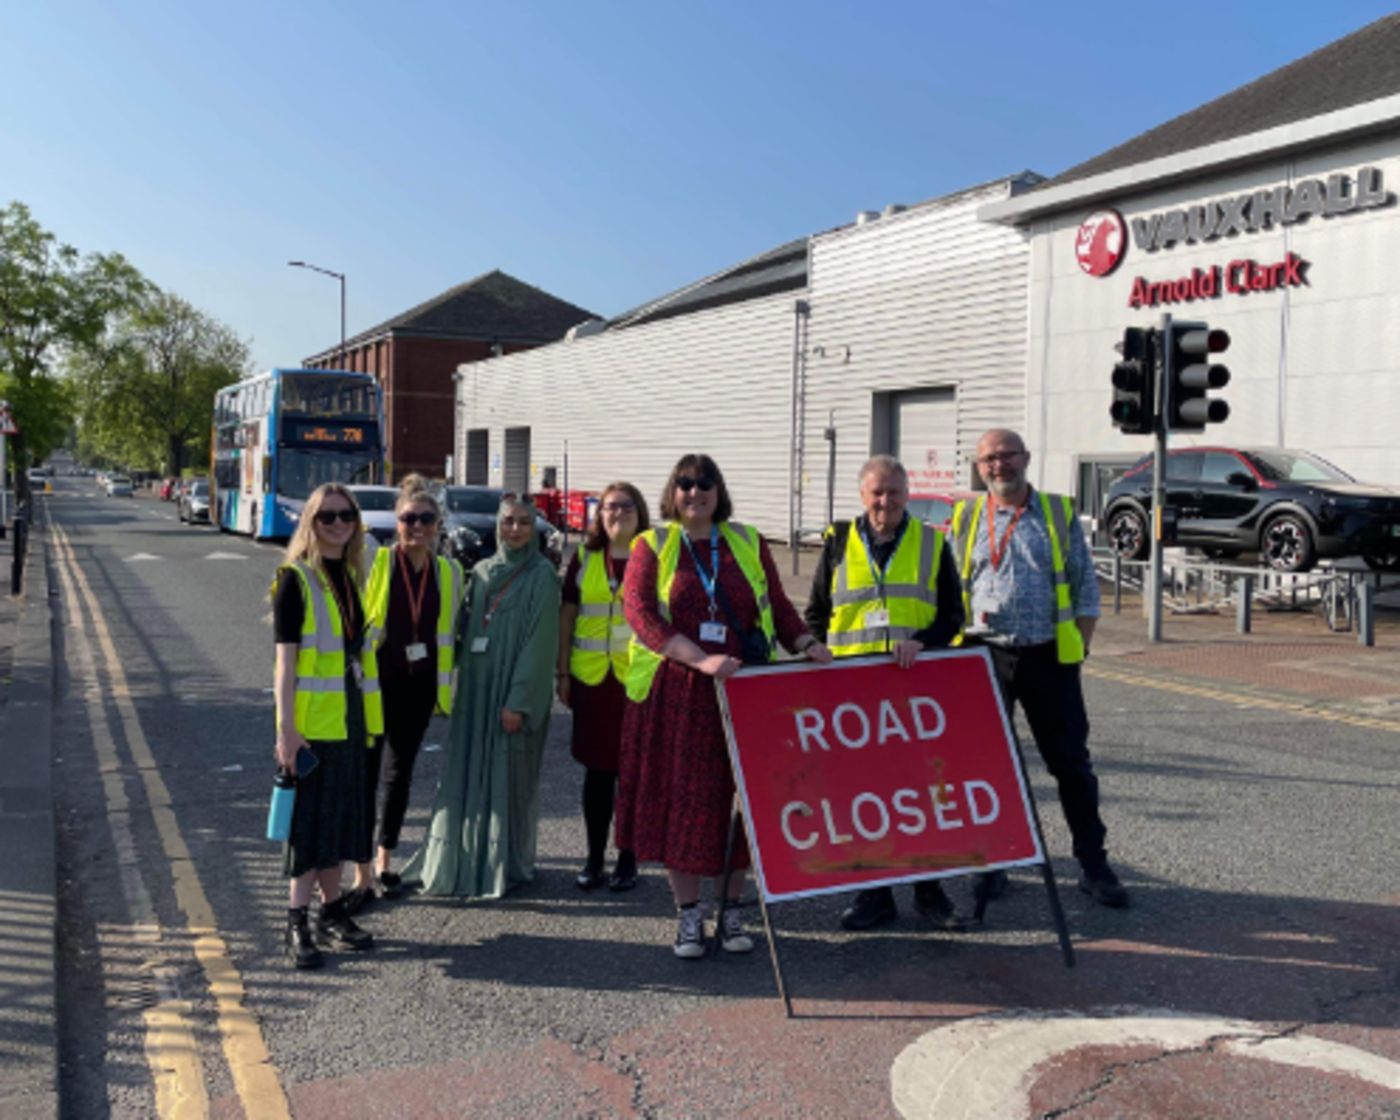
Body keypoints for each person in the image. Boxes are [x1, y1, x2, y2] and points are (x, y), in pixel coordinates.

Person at [616, 454, 833, 959]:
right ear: (673, 492)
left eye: (705, 483)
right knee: (685, 803)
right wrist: (699, 659)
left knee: (745, 804)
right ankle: (689, 916)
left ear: (719, 490)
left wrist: (805, 643)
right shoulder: (653, 544)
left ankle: (732, 910)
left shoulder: (747, 541)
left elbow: (776, 605)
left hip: (746, 690)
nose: (696, 492)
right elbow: (640, 614)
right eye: (686, 484)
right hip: (680, 695)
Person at [950, 429, 1129, 908]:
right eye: (988, 458)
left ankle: (1094, 864)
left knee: (1070, 764)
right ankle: (992, 864)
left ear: (1025, 458)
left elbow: (1085, 587)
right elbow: (949, 587)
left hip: (1048, 657)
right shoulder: (966, 516)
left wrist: (1079, 652)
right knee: (985, 768)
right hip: (983, 658)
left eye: (1006, 455)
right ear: (978, 465)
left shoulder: (1056, 512)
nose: (997, 465)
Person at [803, 454, 969, 932]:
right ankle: (874, 893)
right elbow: (815, 613)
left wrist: (926, 643)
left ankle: (929, 892)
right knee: (865, 797)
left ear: (907, 494)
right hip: (853, 694)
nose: (885, 501)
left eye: (894, 491)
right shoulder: (837, 542)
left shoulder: (932, 545)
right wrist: (817, 659)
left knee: (921, 794)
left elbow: (952, 617)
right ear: (862, 495)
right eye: (877, 492)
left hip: (912, 694)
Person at [403, 494, 560, 899]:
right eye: (508, 521)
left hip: (509, 691)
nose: (515, 529)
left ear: (535, 527)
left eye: (524, 522)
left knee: (506, 774)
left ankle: (498, 864)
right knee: (469, 768)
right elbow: (455, 629)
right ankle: (462, 856)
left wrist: (519, 701)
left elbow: (539, 647)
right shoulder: (484, 571)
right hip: (475, 690)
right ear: (497, 524)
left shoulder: (542, 576)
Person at [271, 483, 381, 969]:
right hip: (313, 725)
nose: (338, 523)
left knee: (339, 818)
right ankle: (296, 920)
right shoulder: (295, 579)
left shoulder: (351, 576)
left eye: (346, 515)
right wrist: (286, 731)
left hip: (349, 718)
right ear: (310, 523)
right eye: (327, 517)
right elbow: (284, 665)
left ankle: (331, 912)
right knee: (309, 825)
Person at [345, 483, 464, 912]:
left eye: (425, 519)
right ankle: (359, 873)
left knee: (399, 776)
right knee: (365, 774)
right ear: (396, 524)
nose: (416, 526)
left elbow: (455, 631)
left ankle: (385, 861)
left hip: (420, 687)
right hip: (376, 685)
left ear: (437, 526)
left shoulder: (450, 572)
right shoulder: (376, 563)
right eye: (408, 519)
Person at [557, 482, 648, 892]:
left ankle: (628, 859)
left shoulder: (654, 558)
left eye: (626, 506)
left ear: (639, 512)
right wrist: (561, 673)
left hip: (637, 682)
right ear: (599, 515)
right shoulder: (584, 557)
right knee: (597, 776)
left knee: (632, 776)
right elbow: (567, 617)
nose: (617, 514)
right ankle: (594, 859)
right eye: (610, 507)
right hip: (592, 680)